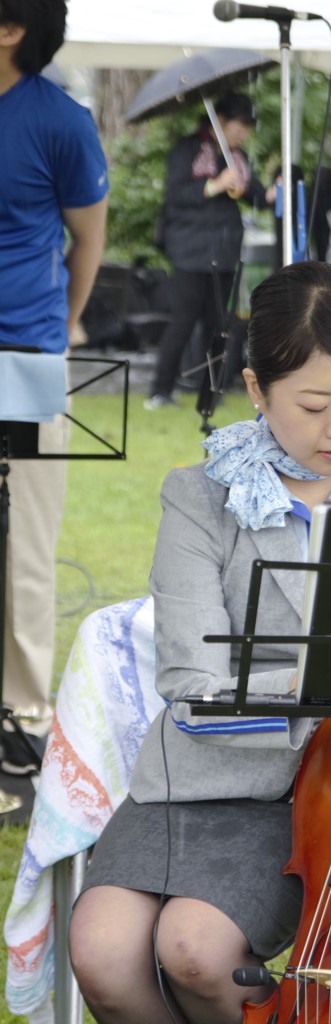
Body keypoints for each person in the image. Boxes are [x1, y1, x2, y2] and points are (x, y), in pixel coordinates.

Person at [68, 260, 331, 1024]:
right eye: (313, 405)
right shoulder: (201, 495)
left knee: (199, 954)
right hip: (205, 778)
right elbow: (193, 680)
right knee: (104, 956)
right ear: (256, 389)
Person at [0, 0, 108, 758]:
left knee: (27, 551)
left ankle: (22, 724)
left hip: (26, 358)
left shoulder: (63, 121)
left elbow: (88, 240)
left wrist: (58, 329)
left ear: (11, 30)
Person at [145, 92, 275, 410]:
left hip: (225, 251)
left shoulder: (237, 158)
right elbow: (175, 194)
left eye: (247, 127)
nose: (243, 132)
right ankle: (160, 391)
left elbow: (254, 194)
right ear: (220, 121)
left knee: (219, 323)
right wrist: (214, 185)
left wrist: (272, 191)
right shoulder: (188, 149)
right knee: (184, 320)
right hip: (190, 250)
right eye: (238, 125)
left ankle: (211, 390)